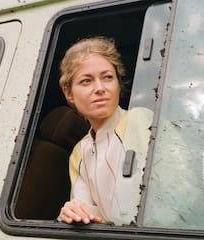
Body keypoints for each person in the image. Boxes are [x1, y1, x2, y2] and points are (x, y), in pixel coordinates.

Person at [58, 36, 152, 225]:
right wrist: (71, 213)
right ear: (68, 93)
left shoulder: (140, 120)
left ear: (118, 83)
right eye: (86, 81)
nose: (100, 88)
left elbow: (179, 194)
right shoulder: (78, 153)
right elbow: (91, 217)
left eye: (107, 77)